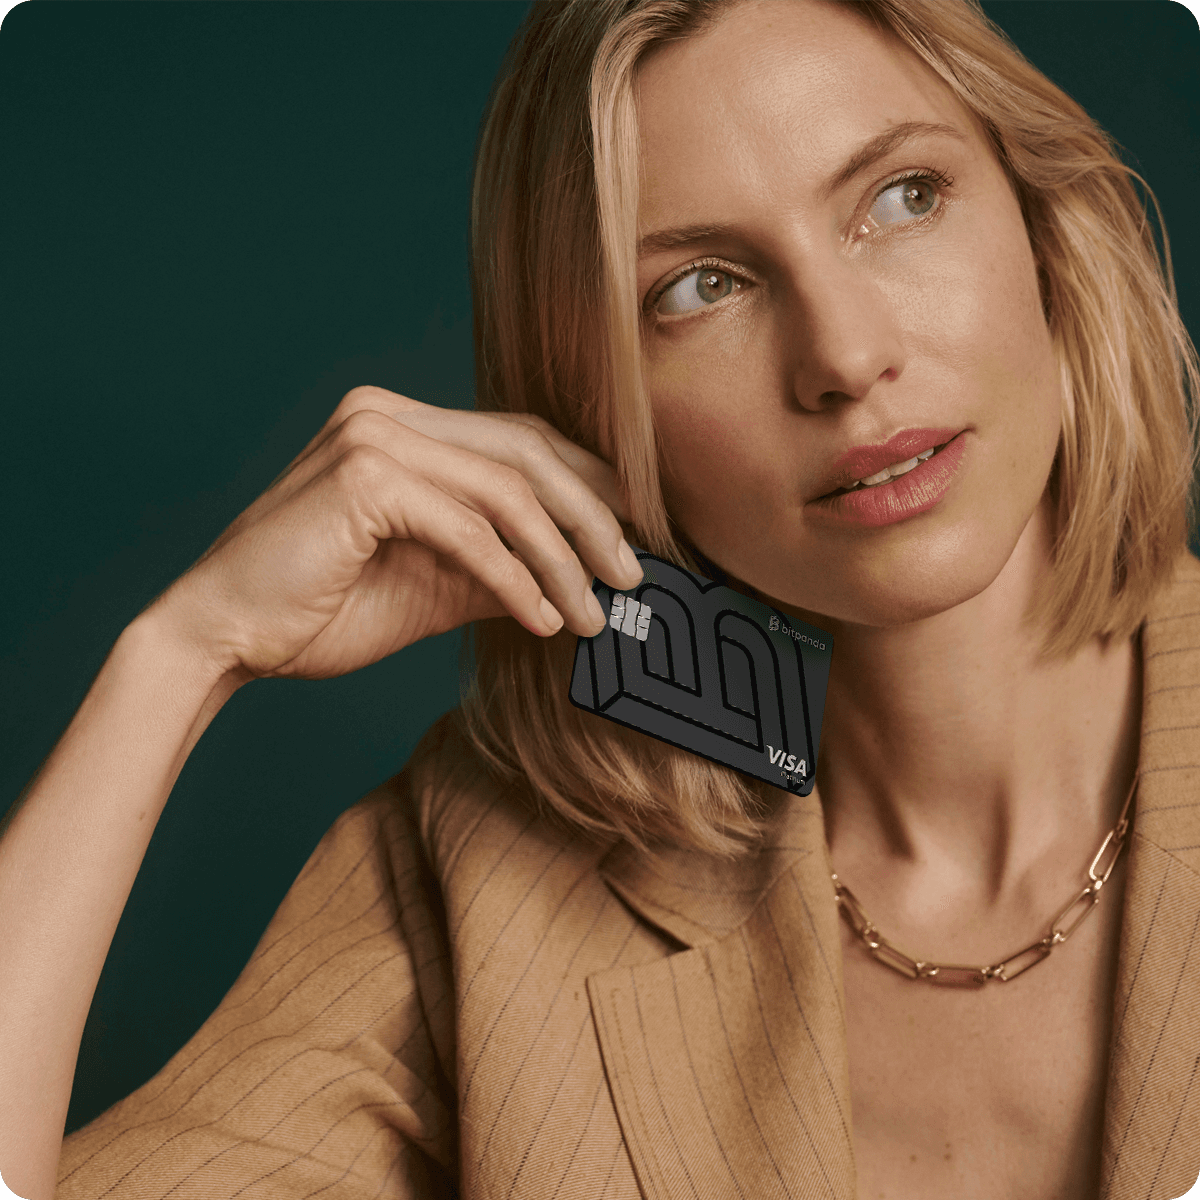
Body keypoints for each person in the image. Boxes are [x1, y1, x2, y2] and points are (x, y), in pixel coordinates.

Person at [2, 0, 1198, 1197]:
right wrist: (180, 655)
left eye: (903, 198)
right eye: (703, 286)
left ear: (1044, 226)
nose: (844, 355)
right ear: (595, 406)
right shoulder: (482, 879)